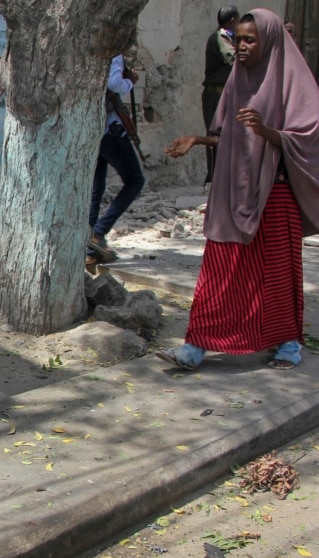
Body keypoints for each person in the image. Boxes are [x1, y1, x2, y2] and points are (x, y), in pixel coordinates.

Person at [159, 8, 319, 371]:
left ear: (270, 41)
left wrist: (268, 132)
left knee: (276, 273)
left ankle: (287, 343)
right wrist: (198, 140)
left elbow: (310, 139)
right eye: (238, 39)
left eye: (250, 39)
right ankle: (196, 345)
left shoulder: (294, 83)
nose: (241, 47)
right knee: (221, 267)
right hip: (234, 193)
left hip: (276, 196)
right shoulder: (237, 79)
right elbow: (231, 136)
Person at [86, 53, 145, 266]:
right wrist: (130, 82)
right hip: (109, 128)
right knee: (135, 180)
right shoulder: (112, 50)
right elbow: (114, 83)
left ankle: (90, 249)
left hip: (92, 128)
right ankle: (98, 233)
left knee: (95, 189)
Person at [202, 5, 239, 187]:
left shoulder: (230, 37)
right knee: (214, 136)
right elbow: (233, 60)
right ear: (233, 20)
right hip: (215, 96)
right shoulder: (220, 38)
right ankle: (213, 178)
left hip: (224, 94)